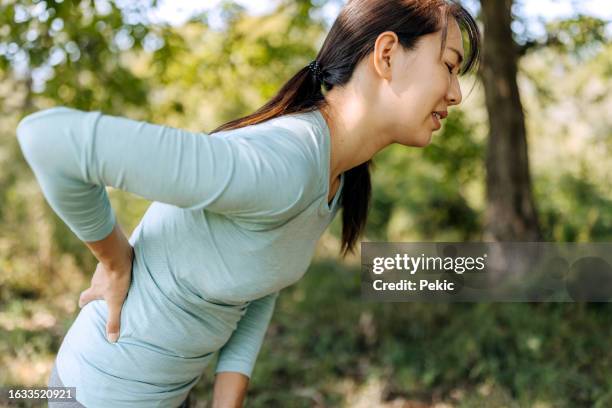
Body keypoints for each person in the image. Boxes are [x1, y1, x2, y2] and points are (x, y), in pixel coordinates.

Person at [16, 0, 480, 406]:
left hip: (170, 391)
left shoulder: (336, 173)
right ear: (386, 55)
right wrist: (114, 260)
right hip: (100, 392)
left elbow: (260, 283)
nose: (456, 94)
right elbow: (50, 139)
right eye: (450, 65)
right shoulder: (282, 162)